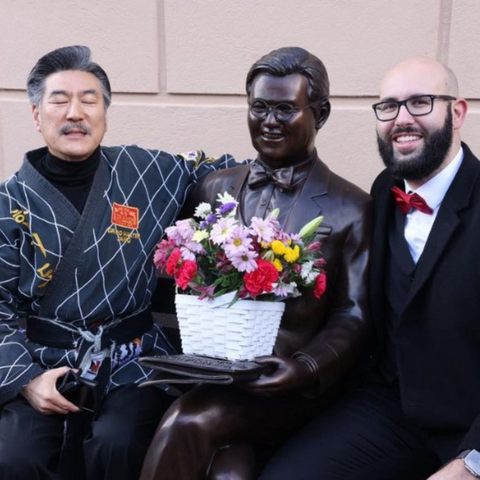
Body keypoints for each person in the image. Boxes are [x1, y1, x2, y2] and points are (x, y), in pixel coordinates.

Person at [0, 45, 236, 480]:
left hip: (134, 359)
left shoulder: (146, 171)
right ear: (36, 115)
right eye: (59, 100)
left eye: (89, 100)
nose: (76, 112)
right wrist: (26, 381)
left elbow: (226, 172)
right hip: (42, 361)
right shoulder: (7, 204)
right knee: (15, 458)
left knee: (119, 443)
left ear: (104, 113)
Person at [140, 46, 372, 480]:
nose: (269, 121)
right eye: (259, 107)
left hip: (291, 392)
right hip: (212, 377)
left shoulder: (352, 209)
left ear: (318, 114)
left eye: (286, 109)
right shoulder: (212, 189)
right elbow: (180, 279)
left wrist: (305, 368)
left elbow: (354, 313)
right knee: (231, 474)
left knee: (188, 419)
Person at [259, 57, 480, 480]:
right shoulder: (385, 191)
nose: (402, 119)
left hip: (470, 424)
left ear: (457, 112)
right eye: (389, 107)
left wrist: (472, 462)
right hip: (392, 411)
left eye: (420, 103)